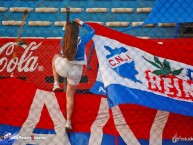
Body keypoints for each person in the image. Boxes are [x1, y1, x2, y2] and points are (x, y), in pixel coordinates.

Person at [52, 18, 95, 130]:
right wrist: (81, 22)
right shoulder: (82, 40)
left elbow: (65, 32)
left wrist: (66, 26)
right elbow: (93, 31)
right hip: (76, 71)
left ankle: (56, 83)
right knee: (70, 95)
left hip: (63, 67)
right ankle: (68, 122)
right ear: (77, 31)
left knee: (55, 57)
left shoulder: (63, 40)